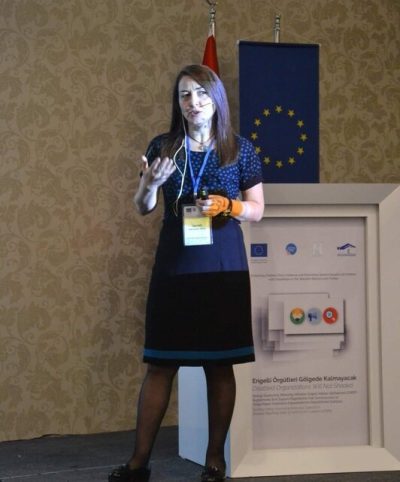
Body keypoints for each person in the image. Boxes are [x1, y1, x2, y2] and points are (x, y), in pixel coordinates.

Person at [108, 64, 264, 482]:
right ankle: (138, 464)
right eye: (184, 95)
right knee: (160, 365)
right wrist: (149, 184)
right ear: (177, 103)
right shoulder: (164, 147)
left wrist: (229, 206)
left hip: (222, 266)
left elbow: (258, 209)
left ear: (217, 99)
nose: (193, 102)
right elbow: (143, 207)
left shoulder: (239, 148)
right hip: (175, 264)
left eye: (201, 93)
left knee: (220, 365)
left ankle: (214, 462)